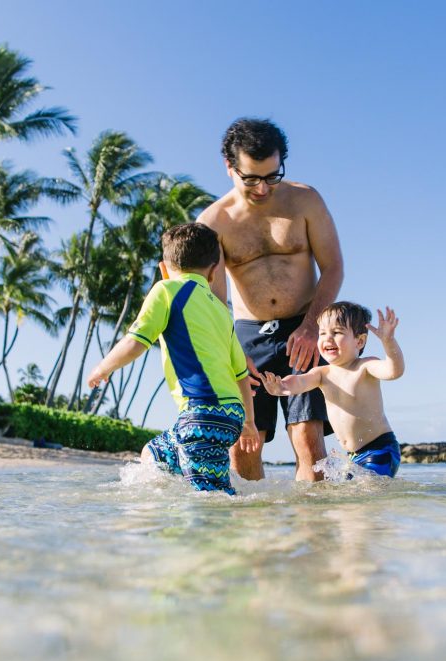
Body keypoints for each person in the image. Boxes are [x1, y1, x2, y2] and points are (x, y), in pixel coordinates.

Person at [198, 118, 344, 482]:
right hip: (248, 335)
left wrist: (312, 326)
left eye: (271, 176)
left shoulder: (305, 200)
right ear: (229, 168)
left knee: (308, 440)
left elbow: (333, 267)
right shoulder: (214, 222)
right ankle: (258, 538)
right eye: (251, 178)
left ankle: (315, 534)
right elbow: (213, 303)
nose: (263, 188)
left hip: (304, 327)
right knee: (244, 446)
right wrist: (235, 353)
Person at [87, 223, 259, 494]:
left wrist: (103, 367)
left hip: (202, 414)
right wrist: (249, 423)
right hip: (231, 415)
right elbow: (240, 376)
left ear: (164, 269)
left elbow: (136, 341)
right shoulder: (221, 311)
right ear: (214, 271)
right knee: (153, 456)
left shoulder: (166, 290)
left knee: (212, 500)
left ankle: (240, 529)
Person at [262, 302, 405, 477]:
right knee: (349, 500)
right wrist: (282, 386)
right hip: (354, 456)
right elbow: (299, 381)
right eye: (322, 333)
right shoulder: (322, 373)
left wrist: (388, 342)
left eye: (337, 332)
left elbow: (394, 371)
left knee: (362, 496)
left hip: (380, 449)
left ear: (359, 341)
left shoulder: (365, 366)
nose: (328, 338)